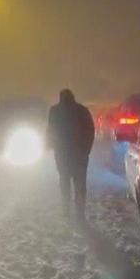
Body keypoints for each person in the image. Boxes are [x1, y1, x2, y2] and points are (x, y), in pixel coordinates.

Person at [46, 89, 95, 219]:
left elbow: (50, 130)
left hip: (62, 153)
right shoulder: (82, 110)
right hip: (79, 153)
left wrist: (50, 145)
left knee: (64, 182)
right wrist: (87, 149)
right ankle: (80, 212)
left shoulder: (54, 111)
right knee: (79, 184)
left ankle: (66, 211)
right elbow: (90, 130)